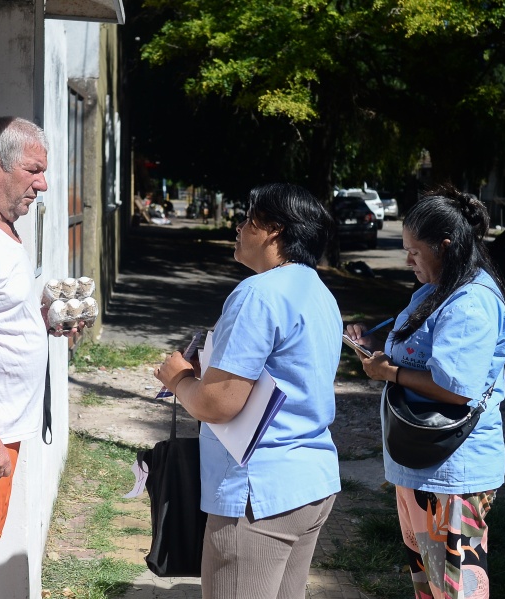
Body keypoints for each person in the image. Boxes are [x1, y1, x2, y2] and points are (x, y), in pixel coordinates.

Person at [154, 183, 342, 599]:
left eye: (247, 219)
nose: (238, 228)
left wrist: (179, 379)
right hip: (310, 483)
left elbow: (216, 404)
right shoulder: (318, 290)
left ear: (273, 230)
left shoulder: (258, 293)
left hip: (259, 493)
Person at [346, 184, 505, 599]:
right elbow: (419, 349)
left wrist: (391, 374)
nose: (408, 260)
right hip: (425, 464)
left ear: (445, 246)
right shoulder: (440, 288)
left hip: (452, 471)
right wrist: (372, 345)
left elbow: (456, 390)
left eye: (414, 252)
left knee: (456, 590)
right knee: (432, 586)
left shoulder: (469, 301)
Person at [0, 116, 78, 597]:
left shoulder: (6, 230)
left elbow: (0, 319)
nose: (43, 184)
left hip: (10, 426)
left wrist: (45, 323)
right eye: (33, 171)